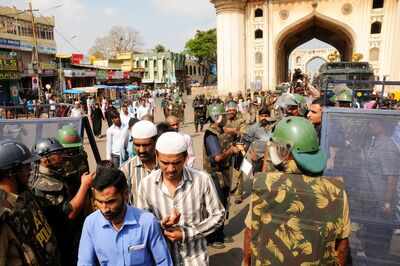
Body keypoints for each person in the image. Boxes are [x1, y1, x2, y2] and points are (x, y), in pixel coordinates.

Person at [243, 117, 350, 266]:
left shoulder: (263, 185)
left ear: (284, 151)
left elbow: (250, 234)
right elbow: (342, 246)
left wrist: (247, 262)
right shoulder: (336, 191)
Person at [137, 132, 225, 265]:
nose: (171, 169)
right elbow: (142, 224)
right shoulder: (146, 184)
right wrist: (160, 225)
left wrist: (187, 233)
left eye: (176, 163)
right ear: (156, 156)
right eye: (165, 163)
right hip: (162, 260)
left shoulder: (202, 179)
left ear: (185, 158)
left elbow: (219, 215)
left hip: (195, 259)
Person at [78, 165, 173, 266]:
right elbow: (85, 263)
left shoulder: (147, 222)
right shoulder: (91, 223)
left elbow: (163, 262)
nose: (104, 209)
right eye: (100, 202)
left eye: (111, 201)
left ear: (126, 195)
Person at [31, 138, 94, 266]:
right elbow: (70, 213)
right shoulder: (43, 184)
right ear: (44, 158)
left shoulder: (52, 172)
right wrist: (84, 185)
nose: (61, 157)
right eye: (57, 154)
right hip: (61, 239)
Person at [0, 139, 61, 266]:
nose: (30, 170)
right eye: (26, 167)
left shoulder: (25, 195)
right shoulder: (4, 216)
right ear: (11, 172)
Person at [203, 103, 242, 248]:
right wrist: (231, 151)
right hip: (215, 175)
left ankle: (219, 233)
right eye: (223, 116)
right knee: (217, 206)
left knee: (224, 203)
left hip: (223, 174)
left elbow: (226, 130)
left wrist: (235, 131)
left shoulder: (218, 129)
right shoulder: (211, 135)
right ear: (217, 117)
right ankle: (213, 237)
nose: (226, 118)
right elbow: (217, 158)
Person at [120, 120, 159, 205]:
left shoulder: (167, 165)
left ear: (156, 142)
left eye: (146, 145)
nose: (141, 150)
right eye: (137, 145)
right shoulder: (126, 170)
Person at [224, 100, 247, 204]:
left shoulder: (241, 120)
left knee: (239, 170)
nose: (231, 111)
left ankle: (238, 194)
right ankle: (228, 190)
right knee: (225, 170)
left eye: (233, 109)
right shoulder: (223, 119)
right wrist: (233, 130)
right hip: (225, 147)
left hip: (239, 146)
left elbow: (243, 132)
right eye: (229, 109)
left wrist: (231, 130)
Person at [243, 106, 276, 173]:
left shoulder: (273, 127)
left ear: (269, 116)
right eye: (262, 116)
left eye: (266, 116)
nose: (264, 118)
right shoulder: (253, 128)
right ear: (259, 116)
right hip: (256, 158)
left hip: (269, 158)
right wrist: (251, 153)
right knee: (253, 176)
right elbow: (246, 142)